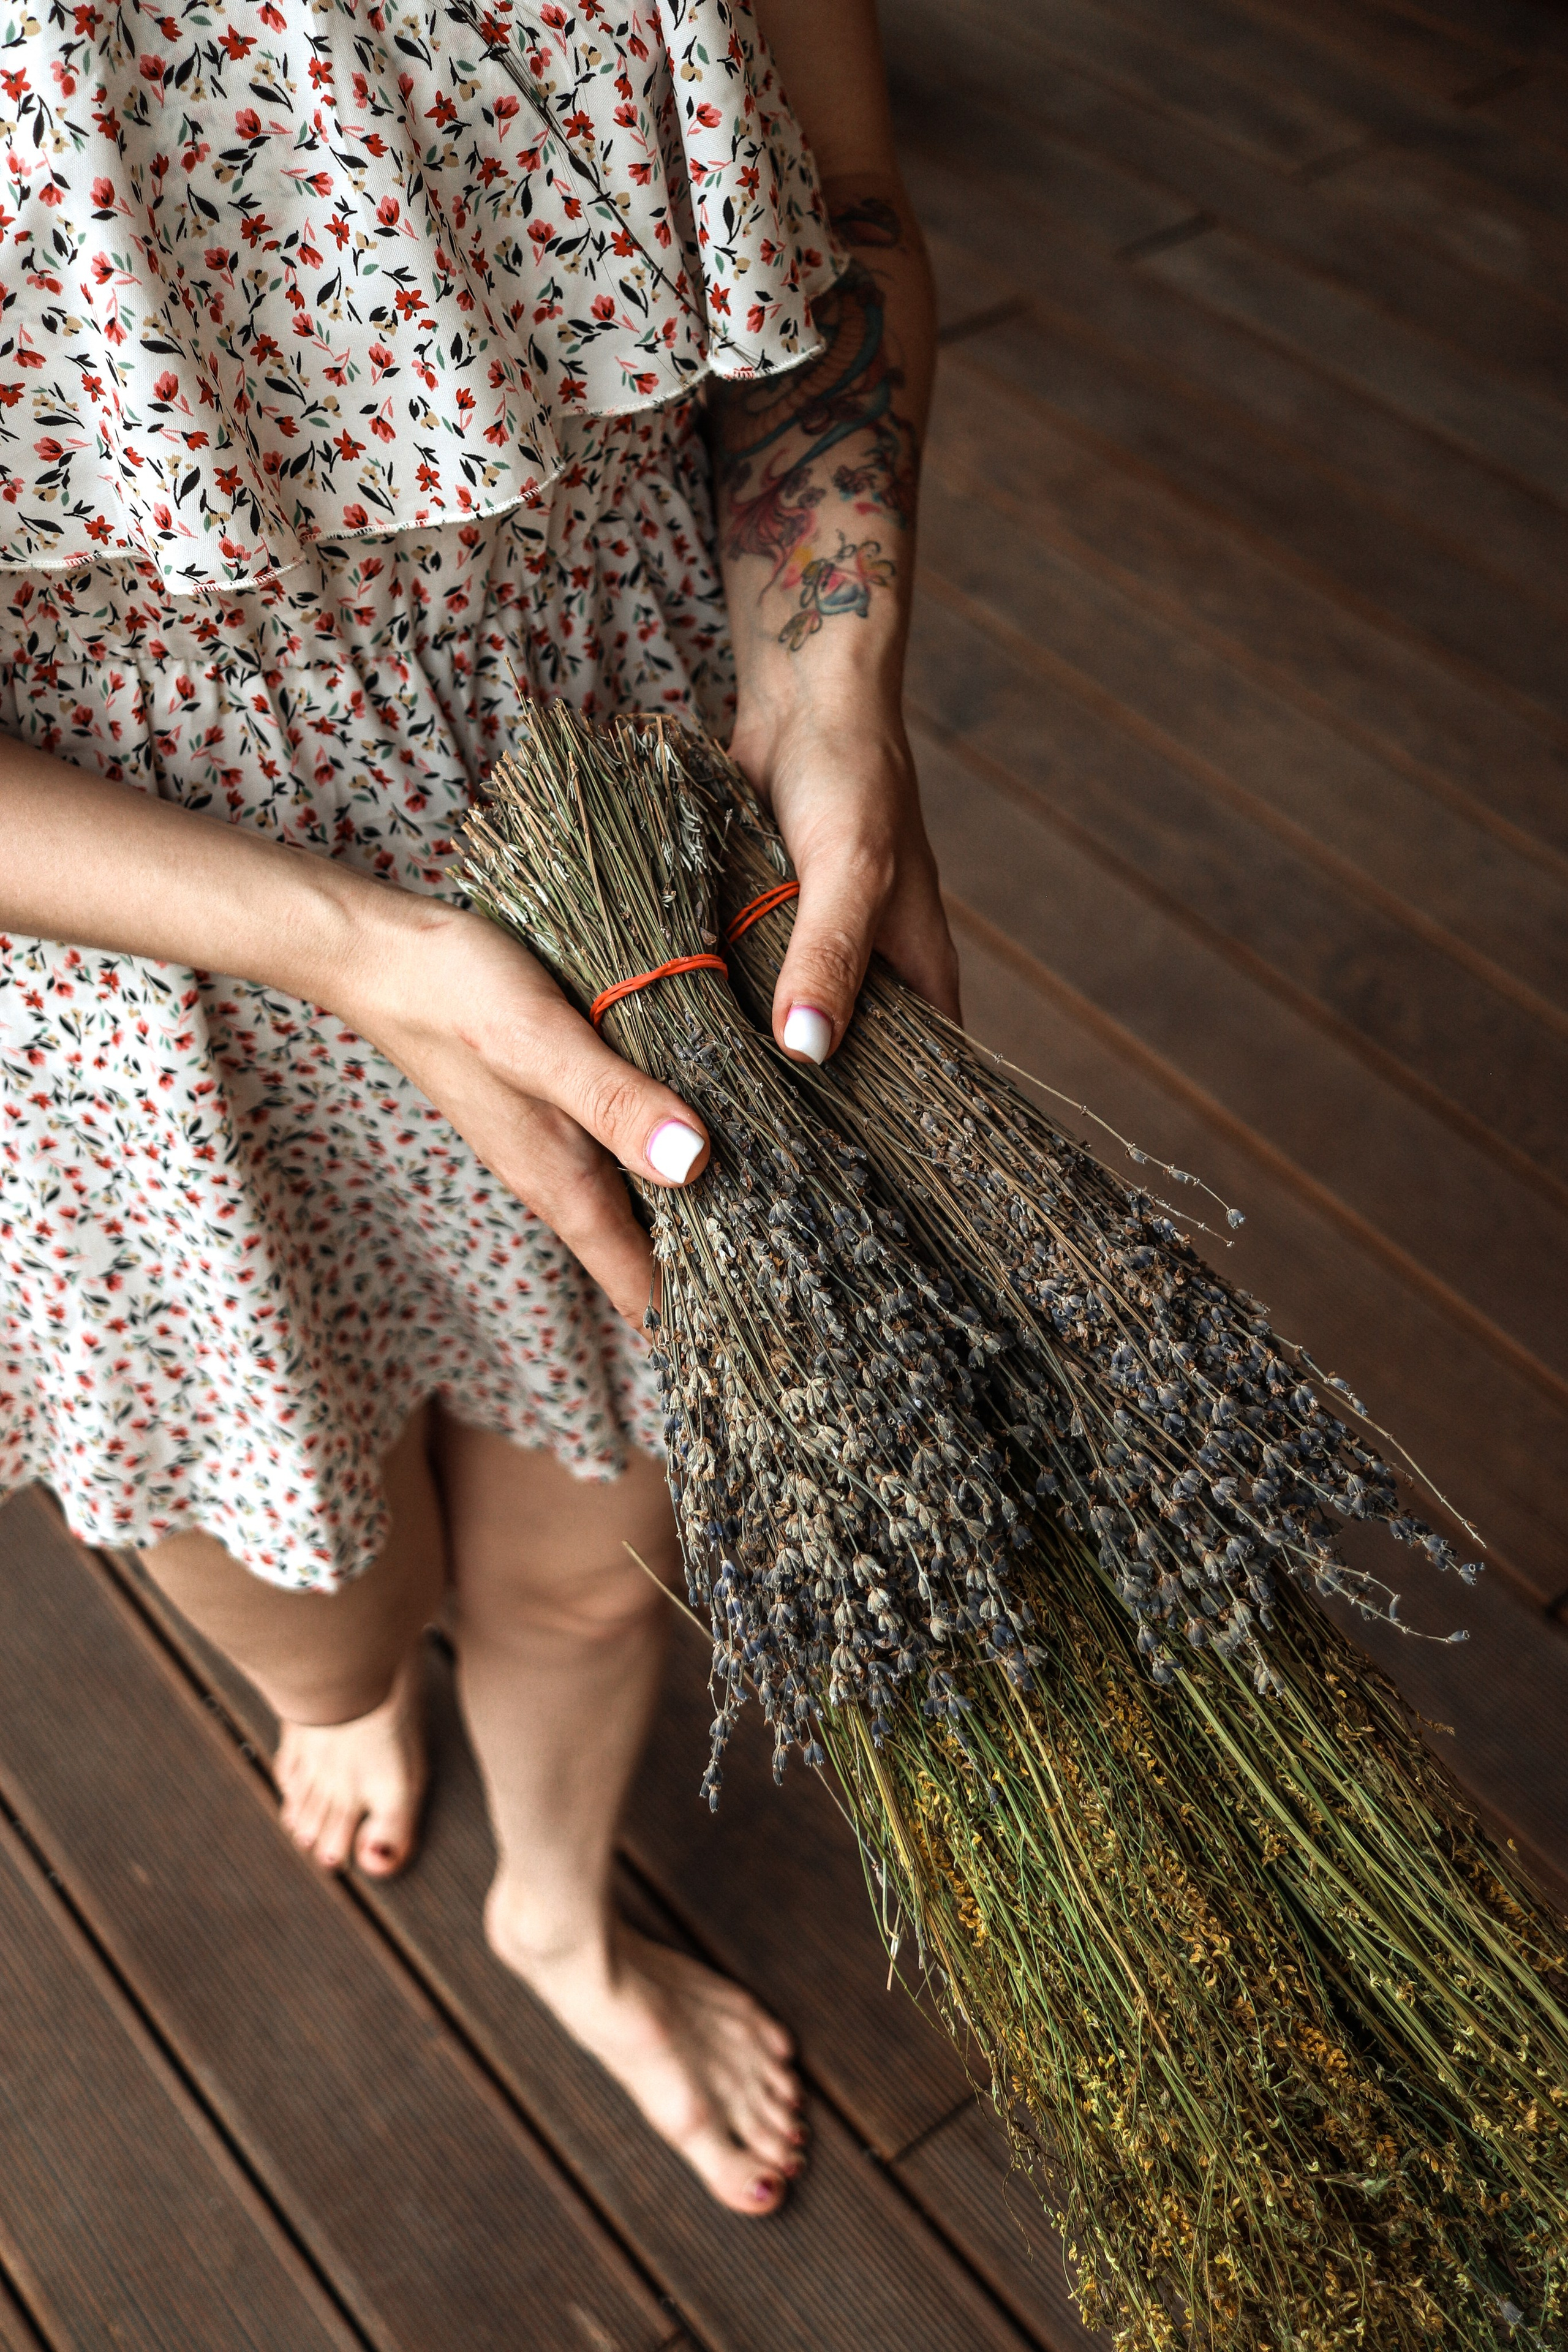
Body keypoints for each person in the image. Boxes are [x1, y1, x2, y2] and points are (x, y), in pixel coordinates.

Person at [0, 0, 956, 2215]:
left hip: (612, 801)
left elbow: (849, 235)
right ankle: (343, 1697)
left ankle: (551, 1904)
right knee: (324, 1597)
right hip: (130, 963)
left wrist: (831, 687)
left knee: (602, 1572)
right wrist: (363, 951)